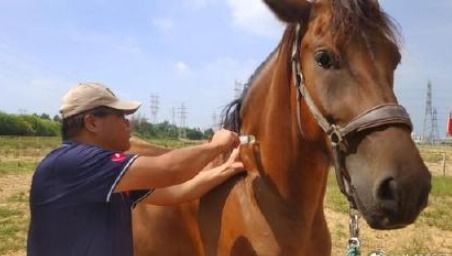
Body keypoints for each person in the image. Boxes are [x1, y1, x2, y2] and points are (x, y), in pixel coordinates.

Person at [27, 82, 244, 256]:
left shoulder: (106, 176)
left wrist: (226, 169)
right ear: (92, 123)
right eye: (120, 116)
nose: (127, 123)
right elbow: (169, 169)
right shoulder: (71, 163)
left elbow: (179, 192)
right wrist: (216, 146)